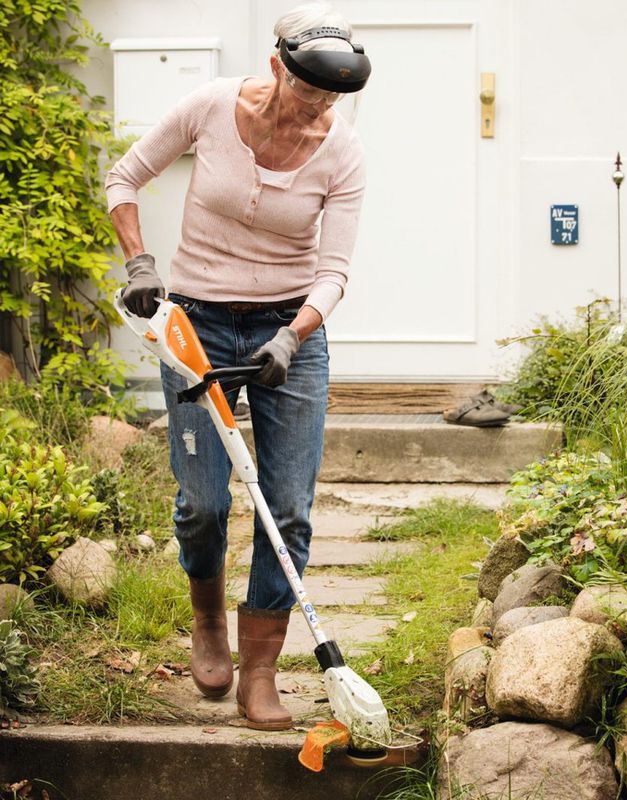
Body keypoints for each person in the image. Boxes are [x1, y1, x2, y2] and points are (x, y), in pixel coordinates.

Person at [105, 2, 370, 731]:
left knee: (287, 509)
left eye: (332, 97)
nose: (319, 108)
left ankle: (261, 672)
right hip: (196, 327)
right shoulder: (211, 107)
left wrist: (293, 335)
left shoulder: (342, 151)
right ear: (278, 66)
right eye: (310, 90)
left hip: (289, 333)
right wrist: (140, 263)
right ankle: (208, 622)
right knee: (204, 504)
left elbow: (335, 270)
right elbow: (123, 179)